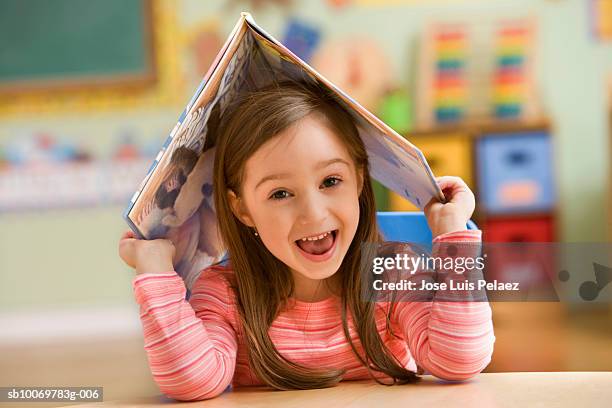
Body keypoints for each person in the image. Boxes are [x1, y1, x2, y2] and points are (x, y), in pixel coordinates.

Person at [118, 81, 495, 401]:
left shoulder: (393, 273)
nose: (313, 214)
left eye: (331, 181)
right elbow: (192, 382)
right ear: (243, 208)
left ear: (359, 180)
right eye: (280, 193)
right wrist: (154, 271)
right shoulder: (224, 294)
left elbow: (460, 359)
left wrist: (450, 231)